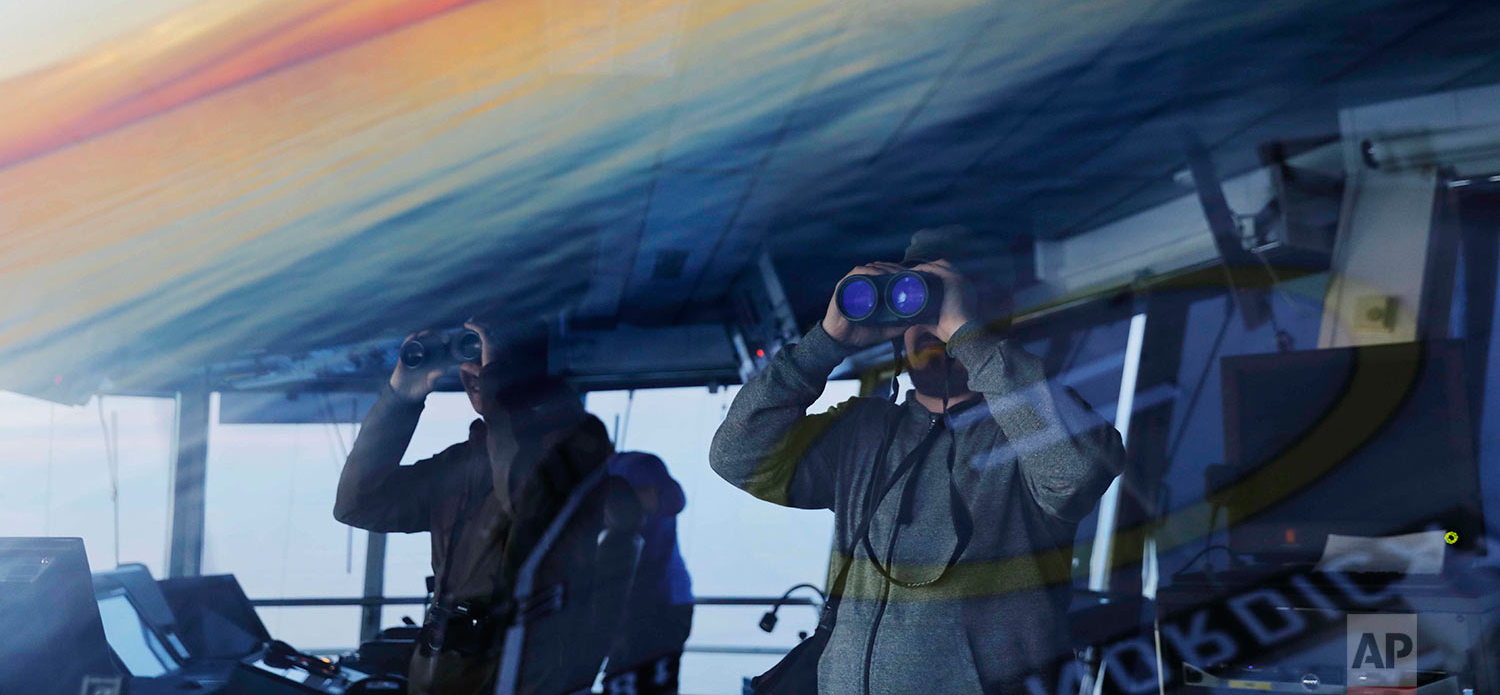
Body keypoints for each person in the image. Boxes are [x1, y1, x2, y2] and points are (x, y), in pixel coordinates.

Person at [709, 227, 1127, 695]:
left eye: (945, 310)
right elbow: (736, 457)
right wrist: (825, 343)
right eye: (917, 307)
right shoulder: (861, 431)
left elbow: (1079, 470)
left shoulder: (1030, 429)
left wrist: (970, 337)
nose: (932, 332)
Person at [333, 316, 616, 695]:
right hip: (442, 668)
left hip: (518, 672)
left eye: (488, 356)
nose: (477, 374)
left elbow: (523, 497)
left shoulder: (579, 448)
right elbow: (359, 504)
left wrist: (500, 394)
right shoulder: (468, 460)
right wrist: (402, 399)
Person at [603, 451, 694, 694]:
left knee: (645, 682)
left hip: (663, 605)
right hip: (648, 606)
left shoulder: (635, 469)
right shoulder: (612, 477)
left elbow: (675, 500)